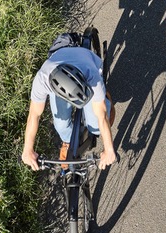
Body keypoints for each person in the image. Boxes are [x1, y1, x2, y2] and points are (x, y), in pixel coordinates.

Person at [21, 36, 116, 171]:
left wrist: (109, 148)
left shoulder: (92, 76)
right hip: (59, 77)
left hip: (85, 71)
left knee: (95, 127)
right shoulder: (42, 79)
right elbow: (34, 115)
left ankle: (106, 98)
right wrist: (27, 149)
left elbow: (102, 116)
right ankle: (68, 141)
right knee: (61, 125)